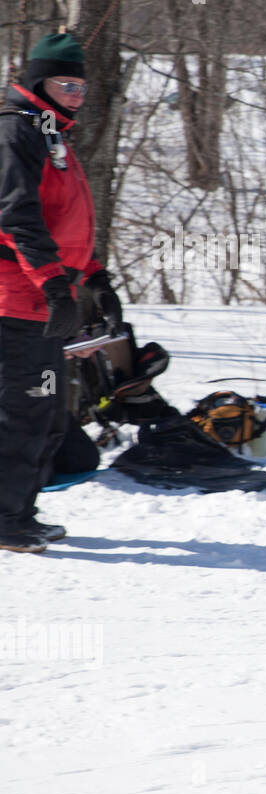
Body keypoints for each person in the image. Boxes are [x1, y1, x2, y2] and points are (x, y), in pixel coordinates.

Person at [0, 32, 124, 553]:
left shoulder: (52, 134)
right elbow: (16, 217)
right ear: (38, 83)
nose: (75, 93)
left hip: (48, 303)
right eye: (64, 83)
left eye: (80, 85)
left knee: (48, 414)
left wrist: (94, 276)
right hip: (16, 298)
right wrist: (54, 285)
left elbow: (66, 223)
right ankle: (5, 520)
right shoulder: (16, 134)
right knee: (23, 412)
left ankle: (20, 511)